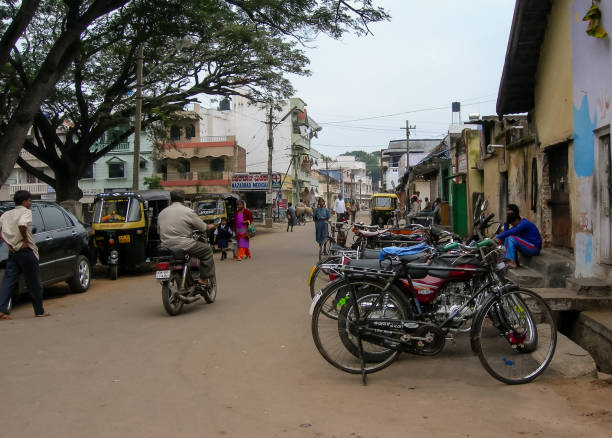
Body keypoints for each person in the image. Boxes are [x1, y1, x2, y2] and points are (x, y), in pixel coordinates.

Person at [0, 190, 50, 320]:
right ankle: (39, 310)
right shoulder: (26, 212)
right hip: (26, 251)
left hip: (13, 252)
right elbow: (22, 225)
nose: (30, 203)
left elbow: (1, 232)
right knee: (34, 282)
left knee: (8, 281)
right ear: (24, 201)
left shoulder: (6, 214)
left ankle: (2, 310)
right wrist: (25, 241)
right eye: (29, 201)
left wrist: (9, 244)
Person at [159, 190, 216, 288]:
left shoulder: (162, 213)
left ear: (171, 199)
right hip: (184, 244)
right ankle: (202, 280)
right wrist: (210, 226)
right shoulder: (188, 211)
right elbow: (203, 227)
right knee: (207, 251)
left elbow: (159, 230)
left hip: (166, 246)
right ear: (183, 199)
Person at [495, 204, 542, 268]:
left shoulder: (524, 224)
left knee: (511, 238)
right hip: (527, 247)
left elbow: (510, 232)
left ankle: (512, 263)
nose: (512, 225)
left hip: (534, 248)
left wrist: (497, 237)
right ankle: (507, 261)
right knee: (508, 237)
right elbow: (507, 233)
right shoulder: (517, 225)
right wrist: (506, 223)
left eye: (512, 224)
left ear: (516, 219)